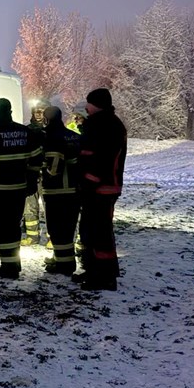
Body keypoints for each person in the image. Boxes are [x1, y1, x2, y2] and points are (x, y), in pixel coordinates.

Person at [0, 98, 43, 279]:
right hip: (19, 189)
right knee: (13, 226)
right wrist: (32, 180)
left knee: (2, 228)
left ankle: (8, 267)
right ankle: (13, 264)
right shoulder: (24, 132)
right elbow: (36, 158)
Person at [74, 88, 127, 291]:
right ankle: (94, 270)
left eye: (88, 103)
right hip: (100, 186)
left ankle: (104, 277)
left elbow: (100, 158)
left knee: (99, 232)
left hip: (99, 188)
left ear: (96, 104)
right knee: (89, 230)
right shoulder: (108, 123)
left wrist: (89, 179)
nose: (86, 107)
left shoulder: (104, 125)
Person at [40, 105, 80, 276]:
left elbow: (54, 166)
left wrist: (42, 169)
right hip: (75, 188)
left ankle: (64, 265)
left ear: (47, 119)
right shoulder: (75, 136)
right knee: (68, 227)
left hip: (57, 190)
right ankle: (62, 258)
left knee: (57, 228)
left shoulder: (52, 137)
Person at [22, 99, 48, 246]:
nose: (38, 114)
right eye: (36, 111)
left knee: (49, 206)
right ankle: (32, 236)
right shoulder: (27, 130)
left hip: (47, 173)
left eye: (41, 111)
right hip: (30, 173)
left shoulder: (52, 130)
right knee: (29, 205)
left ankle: (51, 237)